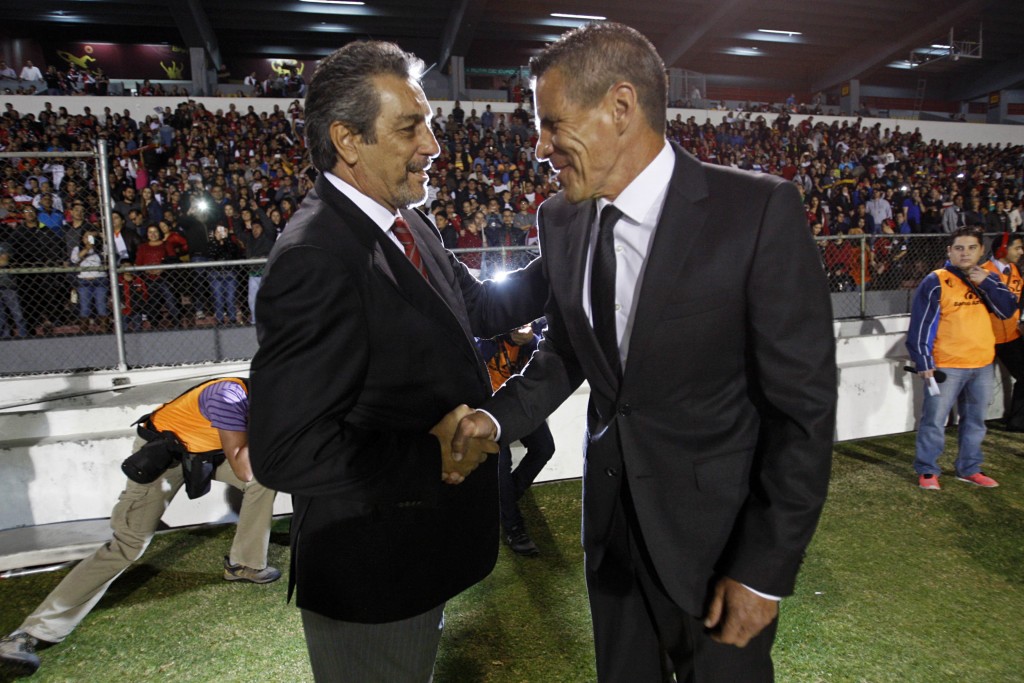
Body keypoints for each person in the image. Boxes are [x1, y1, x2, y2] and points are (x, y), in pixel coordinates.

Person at [451, 22, 836, 682]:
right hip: (612, 536)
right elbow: (567, 352)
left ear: (621, 107)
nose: (540, 147)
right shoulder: (562, 219)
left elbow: (802, 412)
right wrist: (494, 419)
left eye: (552, 123)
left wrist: (765, 569)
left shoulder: (757, 211)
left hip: (718, 548)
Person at [247, 41, 545, 682]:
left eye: (429, 123)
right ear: (347, 140)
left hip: (412, 560)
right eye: (411, 127)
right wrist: (430, 455)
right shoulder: (316, 257)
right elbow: (284, 451)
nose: (433, 145)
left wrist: (570, 250)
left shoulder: (406, 226)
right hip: (368, 580)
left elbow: (483, 309)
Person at [0, 378, 279, 678]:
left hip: (202, 453)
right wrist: (271, 425)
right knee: (128, 544)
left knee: (262, 483)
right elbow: (245, 467)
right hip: (161, 457)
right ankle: (27, 634)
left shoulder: (270, 397)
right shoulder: (229, 396)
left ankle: (243, 563)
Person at [906, 226, 1017, 490]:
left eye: (971, 248)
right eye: (959, 248)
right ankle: (928, 470)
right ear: (949, 251)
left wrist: (987, 283)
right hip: (947, 365)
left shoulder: (989, 277)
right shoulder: (936, 280)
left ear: (980, 251)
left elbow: (1008, 310)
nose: (965, 253)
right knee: (934, 421)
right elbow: (921, 325)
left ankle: (969, 468)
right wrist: (923, 361)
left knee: (976, 421)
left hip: (982, 364)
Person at [477, 321, 555, 556]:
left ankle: (505, 501)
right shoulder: (485, 325)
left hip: (519, 401)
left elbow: (549, 359)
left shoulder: (535, 329)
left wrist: (529, 339)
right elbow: (474, 351)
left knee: (544, 448)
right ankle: (513, 528)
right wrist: (500, 334)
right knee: (501, 464)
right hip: (488, 405)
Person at [982, 232, 1024, 430]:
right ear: (1002, 249)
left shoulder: (1016, 270)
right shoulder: (983, 271)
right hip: (986, 338)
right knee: (977, 383)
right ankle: (970, 422)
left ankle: (1017, 422)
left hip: (1011, 336)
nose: (1021, 252)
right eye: (1017, 247)